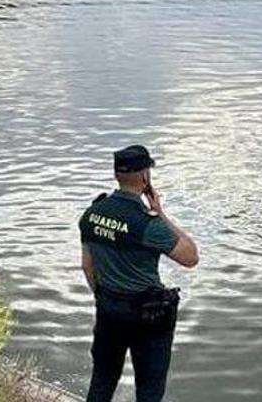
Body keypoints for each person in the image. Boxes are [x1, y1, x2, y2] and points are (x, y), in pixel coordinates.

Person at [79, 145, 199, 402]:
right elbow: (190, 257)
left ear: (116, 174)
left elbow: (88, 267)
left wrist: (104, 297)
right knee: (149, 390)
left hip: (109, 308)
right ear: (145, 177)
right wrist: (161, 213)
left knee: (102, 380)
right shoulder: (147, 223)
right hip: (148, 316)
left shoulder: (91, 215)